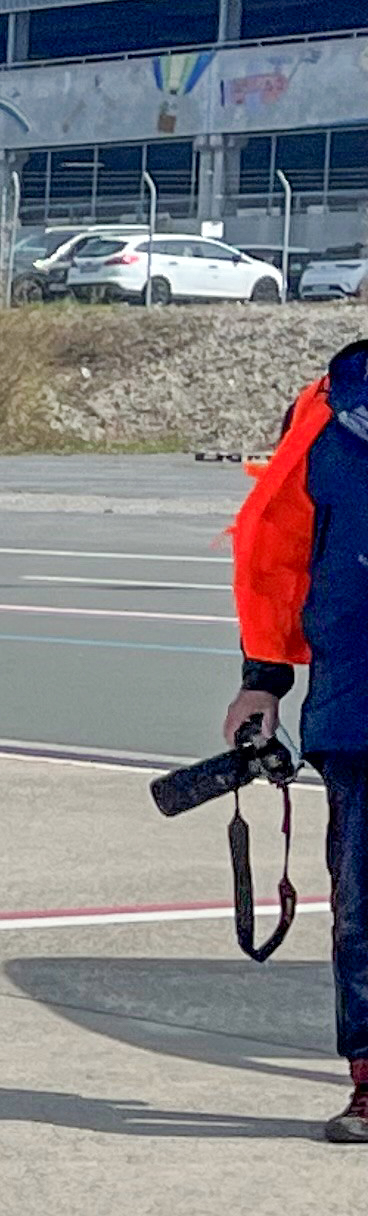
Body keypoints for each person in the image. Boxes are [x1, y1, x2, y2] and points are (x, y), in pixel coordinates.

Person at [227, 336, 368, 1144]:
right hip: (357, 707)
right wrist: (263, 680)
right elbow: (280, 557)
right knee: (363, 908)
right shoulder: (322, 411)